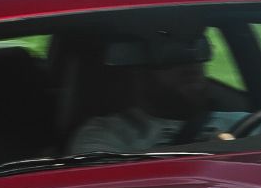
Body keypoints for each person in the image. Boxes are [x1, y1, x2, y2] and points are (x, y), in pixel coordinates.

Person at [65, 26, 219, 155]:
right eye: (169, 56)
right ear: (138, 72)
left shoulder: (240, 121)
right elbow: (111, 186)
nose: (190, 63)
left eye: (198, 49)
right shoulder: (104, 134)